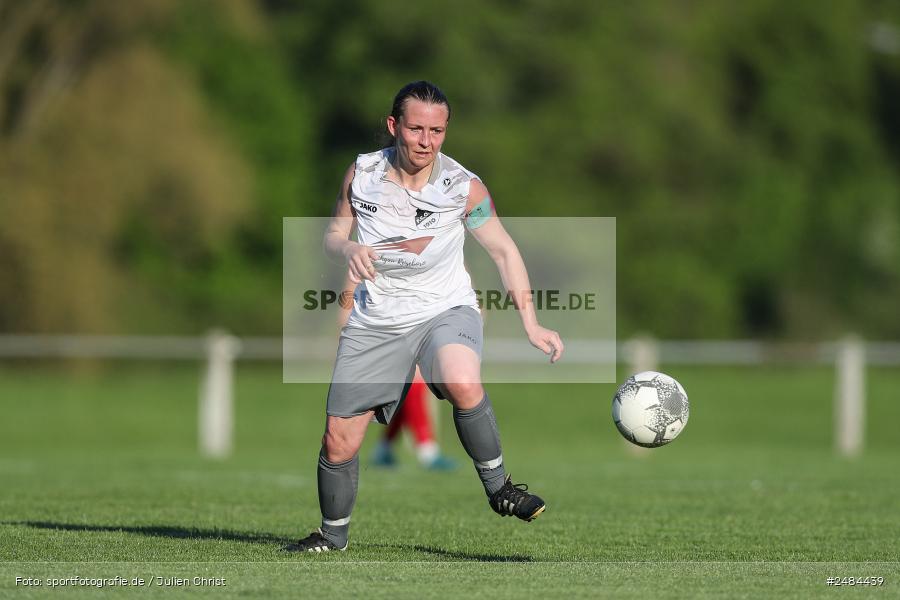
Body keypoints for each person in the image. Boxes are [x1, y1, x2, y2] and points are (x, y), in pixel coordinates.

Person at [283, 81, 564, 552]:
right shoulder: (362, 173)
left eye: (437, 130)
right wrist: (348, 248)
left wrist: (531, 323)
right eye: (416, 129)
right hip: (377, 321)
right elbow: (333, 235)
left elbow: (503, 252)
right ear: (394, 126)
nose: (426, 141)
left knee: (461, 379)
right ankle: (331, 538)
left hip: (445, 310)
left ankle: (500, 489)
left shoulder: (463, 187)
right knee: (338, 440)